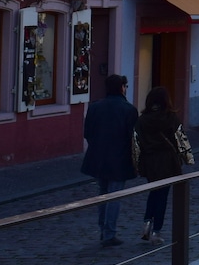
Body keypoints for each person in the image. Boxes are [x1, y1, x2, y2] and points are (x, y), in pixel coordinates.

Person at [81, 73, 138, 248]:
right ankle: (109, 233)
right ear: (122, 88)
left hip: (98, 157)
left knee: (103, 194)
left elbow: (87, 133)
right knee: (114, 196)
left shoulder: (94, 107)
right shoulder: (128, 109)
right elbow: (133, 138)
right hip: (119, 159)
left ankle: (103, 230)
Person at [134, 86, 189, 244]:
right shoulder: (171, 117)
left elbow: (136, 142)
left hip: (150, 161)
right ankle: (156, 231)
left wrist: (137, 163)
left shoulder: (142, 119)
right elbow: (181, 139)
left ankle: (146, 223)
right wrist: (187, 158)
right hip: (167, 161)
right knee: (162, 196)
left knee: (153, 191)